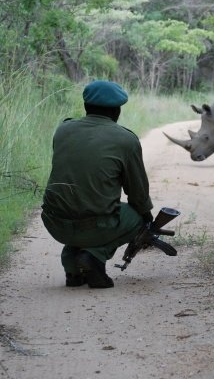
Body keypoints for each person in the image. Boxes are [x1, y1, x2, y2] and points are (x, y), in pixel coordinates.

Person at [41, 80, 155, 289]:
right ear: (117, 110)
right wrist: (147, 219)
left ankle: (72, 268)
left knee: (79, 207)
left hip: (54, 222)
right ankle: (94, 257)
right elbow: (137, 194)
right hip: (94, 226)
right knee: (136, 217)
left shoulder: (63, 130)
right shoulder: (125, 140)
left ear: (86, 107)